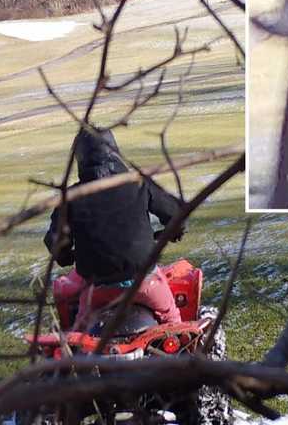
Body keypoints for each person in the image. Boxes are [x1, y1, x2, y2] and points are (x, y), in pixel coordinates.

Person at [43, 128, 183, 330]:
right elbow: (175, 214)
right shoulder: (139, 182)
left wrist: (66, 257)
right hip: (145, 283)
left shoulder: (71, 197)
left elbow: (56, 241)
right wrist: (174, 232)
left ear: (79, 159)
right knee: (174, 324)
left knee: (79, 335)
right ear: (116, 152)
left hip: (98, 291)